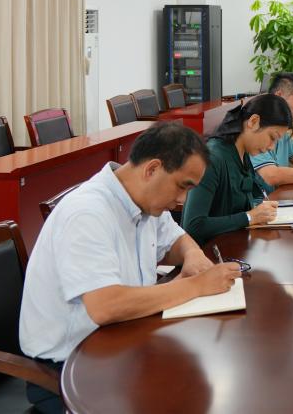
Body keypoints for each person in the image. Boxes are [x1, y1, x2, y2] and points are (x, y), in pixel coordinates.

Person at [19, 122, 242, 414]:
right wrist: (196, 286)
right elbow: (105, 306)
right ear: (152, 169)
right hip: (70, 368)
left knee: (206, 374)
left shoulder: (144, 201)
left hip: (122, 343)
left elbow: (176, 239)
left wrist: (193, 254)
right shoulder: (87, 213)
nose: (182, 200)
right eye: (182, 186)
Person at [182, 93, 291, 245]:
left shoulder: (243, 154)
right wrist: (250, 217)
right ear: (253, 121)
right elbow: (193, 226)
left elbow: (254, 195)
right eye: (272, 137)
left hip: (235, 245)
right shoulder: (213, 158)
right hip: (208, 253)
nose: (272, 147)